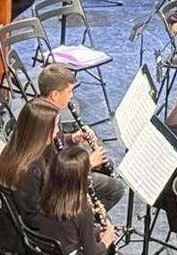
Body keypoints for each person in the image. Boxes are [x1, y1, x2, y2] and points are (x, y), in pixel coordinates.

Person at [37, 64, 126, 209]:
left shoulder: (45, 110)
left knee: (104, 163)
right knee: (116, 188)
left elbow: (56, 142)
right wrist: (88, 163)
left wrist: (72, 138)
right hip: (56, 186)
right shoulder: (45, 122)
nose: (72, 95)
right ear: (54, 95)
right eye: (69, 91)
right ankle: (84, 219)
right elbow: (54, 172)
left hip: (62, 168)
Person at [0, 99, 69, 254]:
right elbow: (33, 219)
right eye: (55, 127)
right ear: (41, 131)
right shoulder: (29, 170)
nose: (57, 132)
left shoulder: (17, 149)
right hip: (26, 236)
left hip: (28, 220)